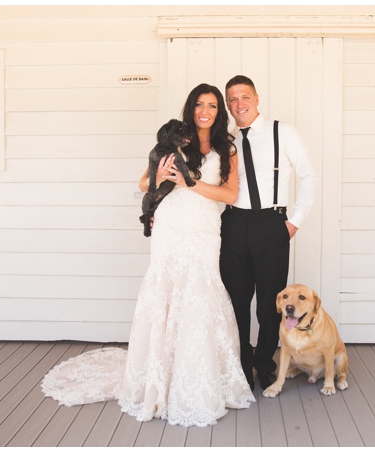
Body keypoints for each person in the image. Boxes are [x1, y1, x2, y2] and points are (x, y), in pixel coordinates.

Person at [42, 84, 254, 427]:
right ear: (190, 107)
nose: (205, 111)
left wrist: (190, 184)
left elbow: (230, 195)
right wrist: (157, 178)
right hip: (169, 225)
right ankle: (159, 380)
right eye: (199, 104)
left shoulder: (226, 148)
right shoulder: (171, 140)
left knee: (199, 295)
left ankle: (197, 383)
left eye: (212, 106)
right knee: (165, 292)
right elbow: (144, 183)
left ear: (219, 112)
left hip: (202, 229)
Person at [220, 75, 317, 391]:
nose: (239, 104)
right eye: (232, 99)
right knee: (236, 302)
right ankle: (241, 367)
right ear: (228, 104)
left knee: (268, 306)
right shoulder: (227, 142)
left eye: (244, 97)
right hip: (233, 224)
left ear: (257, 98)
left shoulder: (283, 132)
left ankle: (263, 364)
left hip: (271, 225)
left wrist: (294, 221)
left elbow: (309, 177)